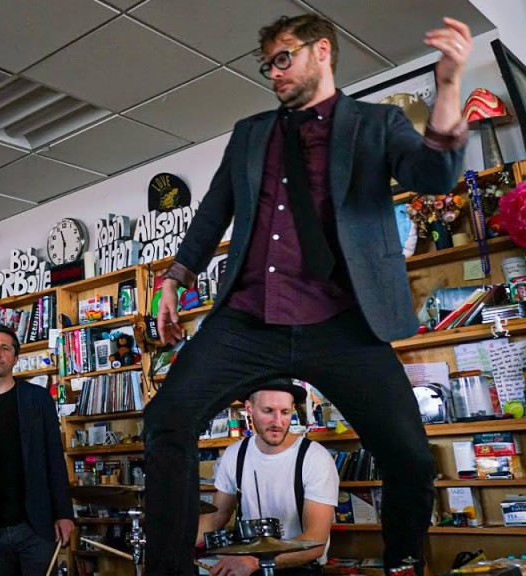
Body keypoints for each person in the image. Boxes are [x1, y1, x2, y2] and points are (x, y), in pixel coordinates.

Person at [145, 14, 471, 575]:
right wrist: (175, 276)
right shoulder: (250, 133)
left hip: (342, 322)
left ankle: (400, 565)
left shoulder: (375, 124)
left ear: (322, 51)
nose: (272, 73)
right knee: (165, 422)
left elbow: (435, 175)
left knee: (412, 458)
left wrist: (447, 86)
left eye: (282, 58)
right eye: (266, 63)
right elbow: (214, 209)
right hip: (249, 319)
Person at [0, 324, 74, 575]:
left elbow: (55, 460)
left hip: (37, 527)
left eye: (5, 347)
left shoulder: (38, 399)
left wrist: (64, 514)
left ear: (15, 359)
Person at [198, 380, 338, 576]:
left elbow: (315, 544)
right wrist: (178, 547)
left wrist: (255, 562)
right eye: (268, 410)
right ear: (250, 409)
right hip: (248, 562)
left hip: (297, 566)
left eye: (285, 412)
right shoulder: (234, 455)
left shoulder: (315, 458)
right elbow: (215, 518)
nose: (277, 422)